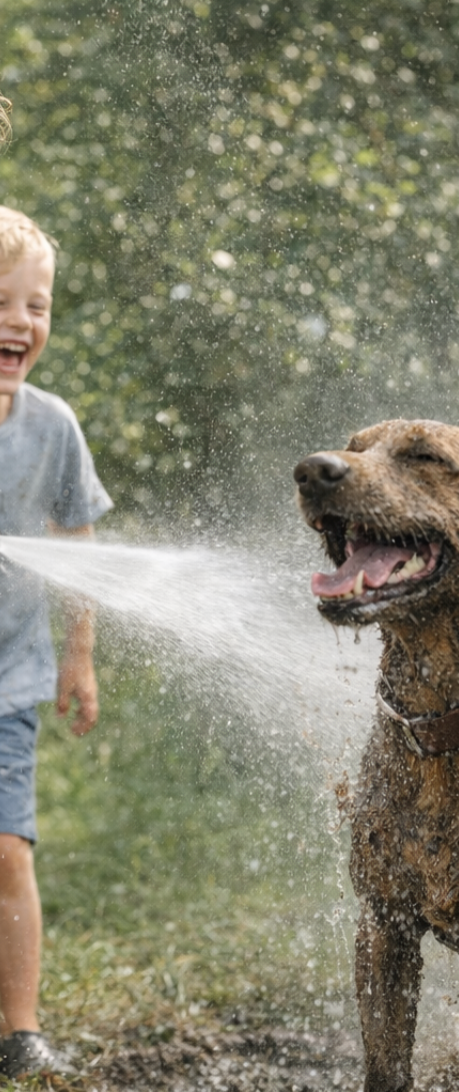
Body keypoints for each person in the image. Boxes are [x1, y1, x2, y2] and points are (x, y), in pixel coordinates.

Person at [0, 205, 112, 1077]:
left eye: (35, 306)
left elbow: (78, 546)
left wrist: (78, 654)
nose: (20, 322)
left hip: (10, 680)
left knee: (7, 852)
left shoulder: (52, 426)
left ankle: (20, 1029)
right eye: (1, 303)